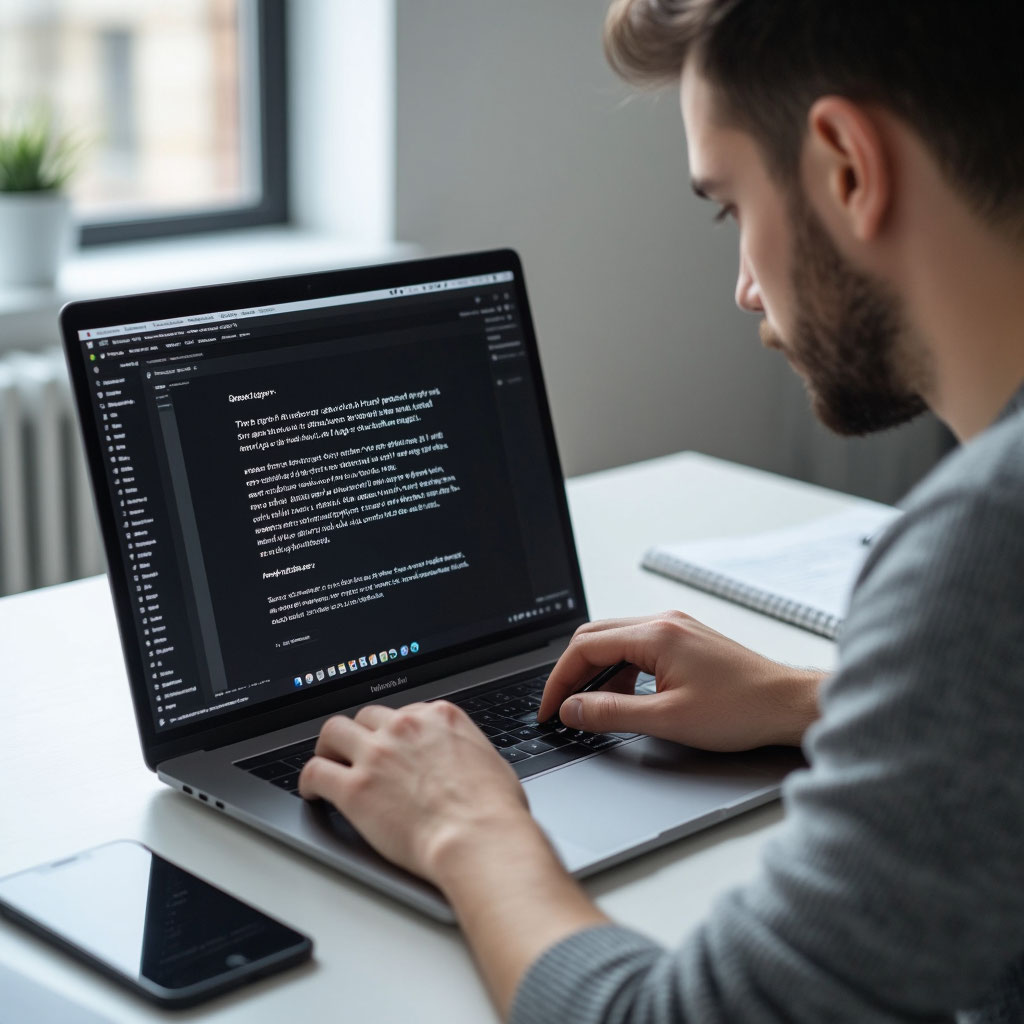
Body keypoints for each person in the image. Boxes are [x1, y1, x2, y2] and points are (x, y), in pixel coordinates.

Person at [299, 1, 1024, 1020]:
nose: (740, 288)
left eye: (728, 207)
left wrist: (466, 825)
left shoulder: (984, 544)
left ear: (847, 167)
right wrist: (809, 700)